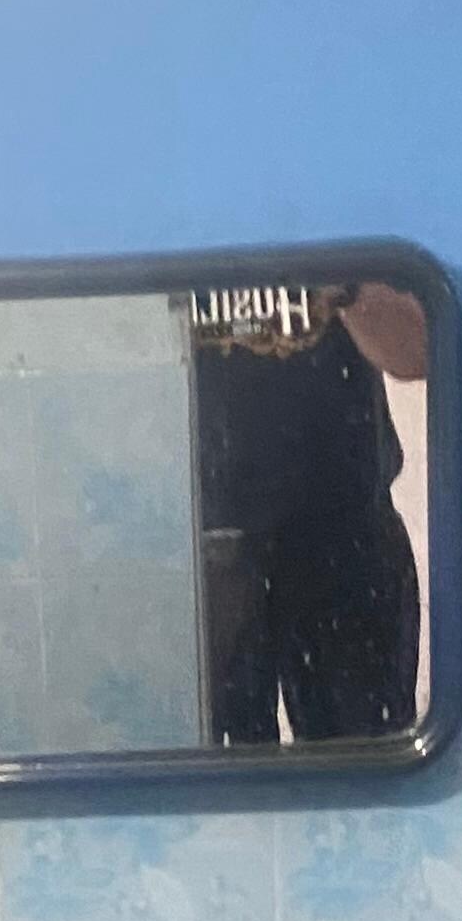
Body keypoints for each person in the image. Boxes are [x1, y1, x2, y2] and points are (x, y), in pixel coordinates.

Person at [192, 278, 427, 744]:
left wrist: (348, 287)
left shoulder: (340, 229)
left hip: (345, 539)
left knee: (365, 770)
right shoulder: (137, 231)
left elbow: (417, 351)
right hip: (196, 544)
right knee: (209, 778)